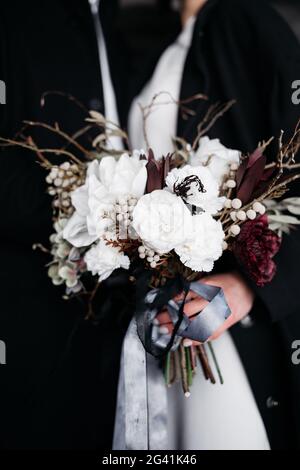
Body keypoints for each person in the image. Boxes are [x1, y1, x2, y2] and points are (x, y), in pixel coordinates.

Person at [129, 0, 300, 449]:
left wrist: (250, 290)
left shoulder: (245, 18)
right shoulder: (156, 45)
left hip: (225, 326)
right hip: (164, 312)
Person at [0, 0, 133, 449]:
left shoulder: (118, 25)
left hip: (122, 310)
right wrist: (101, 211)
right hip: (30, 314)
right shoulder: (14, 19)